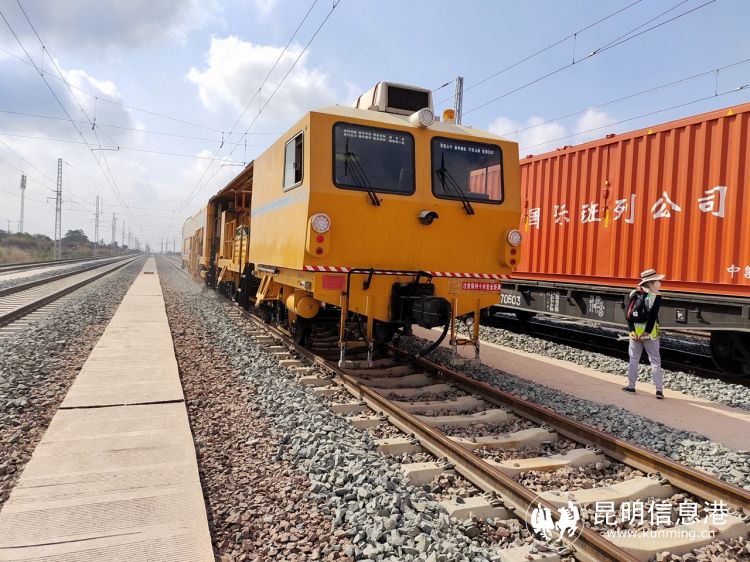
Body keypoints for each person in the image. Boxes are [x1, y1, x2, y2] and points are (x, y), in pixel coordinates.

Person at [622, 269, 665, 398]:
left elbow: (628, 315)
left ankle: (631, 387)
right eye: (656, 280)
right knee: (655, 362)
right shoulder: (656, 296)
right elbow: (653, 317)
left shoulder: (634, 293)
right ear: (651, 282)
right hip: (650, 335)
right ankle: (659, 391)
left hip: (635, 334)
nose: (658, 282)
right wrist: (647, 332)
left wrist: (632, 331)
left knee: (634, 359)